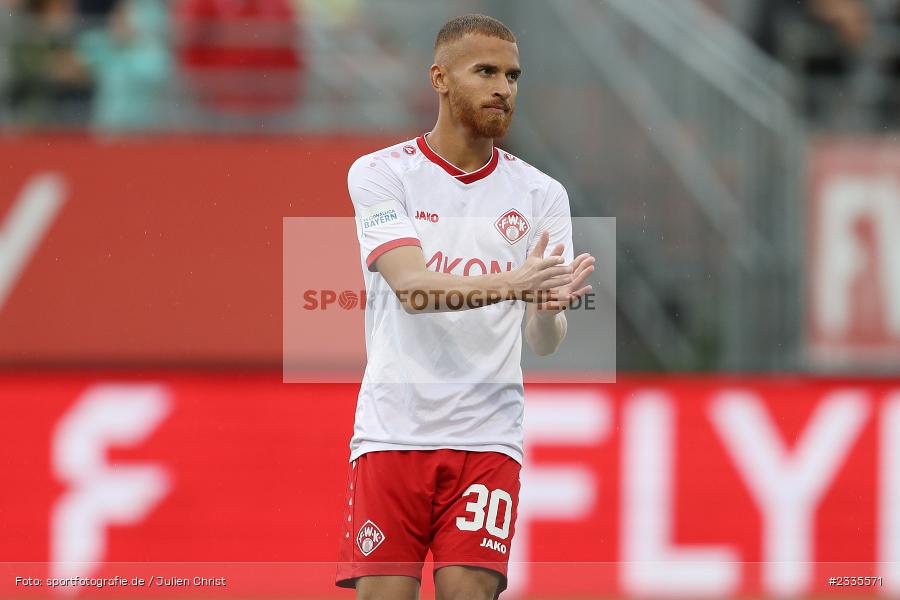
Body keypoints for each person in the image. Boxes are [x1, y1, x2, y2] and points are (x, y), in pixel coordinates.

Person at [334, 14, 596, 600]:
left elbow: (544, 341)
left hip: (488, 435)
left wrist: (548, 308)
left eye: (513, 75)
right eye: (485, 71)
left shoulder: (541, 194)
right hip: (393, 431)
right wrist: (517, 282)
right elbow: (412, 288)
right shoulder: (380, 173)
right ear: (440, 78)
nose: (504, 87)